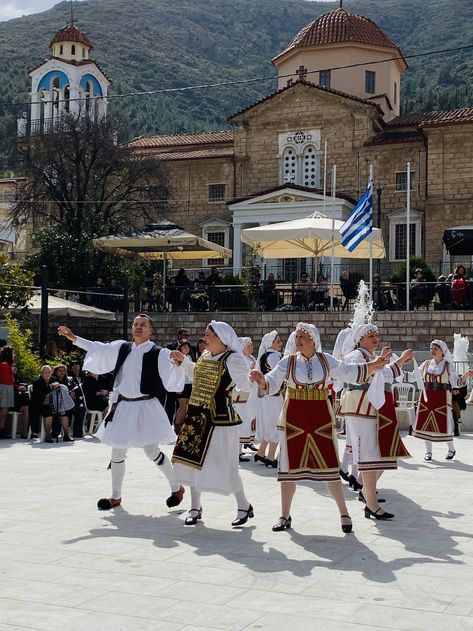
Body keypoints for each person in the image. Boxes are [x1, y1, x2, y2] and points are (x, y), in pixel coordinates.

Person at [251, 322, 389, 533]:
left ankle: (344, 512)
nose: (297, 341)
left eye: (302, 338)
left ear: (313, 341)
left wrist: (374, 365)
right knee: (288, 469)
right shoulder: (287, 362)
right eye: (296, 337)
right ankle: (284, 515)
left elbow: (349, 371)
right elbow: (271, 381)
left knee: (330, 468)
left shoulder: (326, 361)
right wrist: (261, 381)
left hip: (320, 420)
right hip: (293, 419)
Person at [58, 315, 186, 511]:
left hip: (145, 406)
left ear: (151, 330)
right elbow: (98, 348)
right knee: (117, 450)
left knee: (151, 451)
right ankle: (115, 497)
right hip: (123, 406)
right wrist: (74, 338)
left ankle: (177, 488)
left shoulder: (159, 352)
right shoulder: (122, 347)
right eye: (135, 324)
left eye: (143, 324)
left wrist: (178, 364)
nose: (138, 327)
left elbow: (173, 377)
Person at [171, 321, 254, 527]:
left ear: (220, 338)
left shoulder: (233, 359)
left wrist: (254, 377)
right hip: (196, 416)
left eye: (208, 335)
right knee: (191, 462)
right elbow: (198, 377)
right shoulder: (205, 357)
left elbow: (245, 385)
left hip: (220, 421)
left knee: (226, 466)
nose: (204, 339)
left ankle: (243, 505)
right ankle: (195, 507)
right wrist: (184, 363)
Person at [338, 324, 414, 520]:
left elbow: (385, 373)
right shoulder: (356, 356)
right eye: (371, 335)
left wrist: (401, 360)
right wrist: (379, 363)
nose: (375, 338)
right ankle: (370, 503)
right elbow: (352, 373)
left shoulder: (370, 358)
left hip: (370, 409)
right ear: (359, 339)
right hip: (361, 407)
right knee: (368, 455)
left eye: (377, 335)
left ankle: (368, 497)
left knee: (373, 455)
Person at [407, 339, 473, 461]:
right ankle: (428, 452)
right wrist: (396, 368)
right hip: (427, 399)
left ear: (442, 351)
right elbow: (413, 376)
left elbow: (456, 383)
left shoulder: (448, 366)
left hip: (442, 400)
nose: (432, 351)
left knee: (445, 425)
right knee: (426, 426)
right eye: (431, 348)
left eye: (435, 349)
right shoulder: (426, 364)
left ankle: (451, 449)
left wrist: (466, 375)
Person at [254, 330, 284, 468]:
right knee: (276, 424)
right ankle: (271, 457)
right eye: (277, 341)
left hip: (268, 396)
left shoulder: (268, 355)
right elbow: (278, 375)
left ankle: (261, 453)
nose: (281, 343)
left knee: (271, 423)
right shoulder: (273, 357)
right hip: (273, 395)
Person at [232, 337, 257, 462]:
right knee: (240, 423)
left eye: (252, 345)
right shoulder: (239, 360)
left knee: (247, 422)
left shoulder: (251, 359)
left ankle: (244, 446)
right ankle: (236, 452)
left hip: (250, 396)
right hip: (241, 396)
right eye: (249, 345)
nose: (251, 348)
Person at [28, 365, 66, 443]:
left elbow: (60, 388)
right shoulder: (37, 382)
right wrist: (50, 387)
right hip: (40, 404)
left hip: (54, 404)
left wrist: (58, 385)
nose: (47, 374)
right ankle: (48, 435)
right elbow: (39, 397)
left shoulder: (54, 380)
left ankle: (66, 435)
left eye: (49, 372)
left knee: (64, 412)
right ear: (41, 373)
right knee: (48, 412)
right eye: (45, 372)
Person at [173, 340, 193, 434]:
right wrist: (177, 386)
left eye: (188, 347)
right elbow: (176, 373)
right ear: (180, 347)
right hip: (181, 384)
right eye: (184, 346)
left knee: (187, 405)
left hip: (190, 384)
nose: (186, 348)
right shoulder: (177, 357)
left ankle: (183, 424)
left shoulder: (189, 357)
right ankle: (177, 425)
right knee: (182, 405)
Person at [0, 346, 15, 437]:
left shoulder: (6, 365)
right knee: (4, 410)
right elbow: (6, 379)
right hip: (4, 388)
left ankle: (1, 430)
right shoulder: (4, 365)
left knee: (5, 410)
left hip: (7, 387)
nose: (14, 355)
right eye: (13, 353)